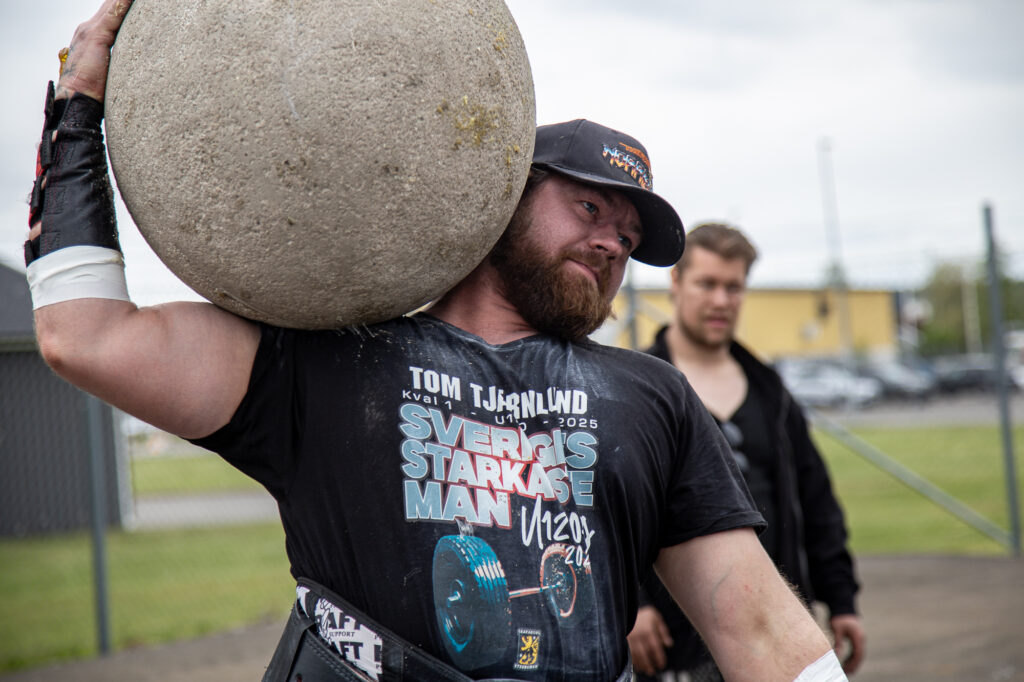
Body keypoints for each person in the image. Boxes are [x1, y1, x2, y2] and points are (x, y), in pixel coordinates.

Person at [26, 2, 849, 680]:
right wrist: (78, 110)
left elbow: (758, 631)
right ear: (498, 194)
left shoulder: (653, 396)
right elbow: (87, 337)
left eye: (628, 239)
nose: (610, 244)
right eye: (590, 209)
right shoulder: (330, 362)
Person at [627, 223, 866, 681]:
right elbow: (608, 510)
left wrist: (842, 601)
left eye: (733, 287)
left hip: (772, 636)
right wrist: (632, 606)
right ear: (676, 282)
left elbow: (817, 503)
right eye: (707, 284)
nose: (721, 300)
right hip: (674, 648)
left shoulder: (771, 393)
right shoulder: (640, 389)